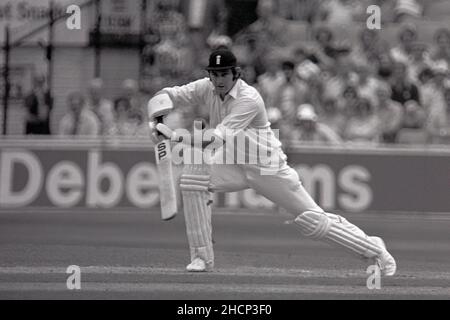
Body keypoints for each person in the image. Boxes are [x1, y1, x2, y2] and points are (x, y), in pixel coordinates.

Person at [148, 48, 396, 276]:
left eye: (224, 74)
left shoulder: (249, 98)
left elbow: (215, 138)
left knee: (312, 219)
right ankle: (202, 257)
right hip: (232, 161)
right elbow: (171, 95)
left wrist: (174, 134)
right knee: (193, 178)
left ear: (236, 73)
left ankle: (374, 249)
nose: (219, 79)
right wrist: (157, 113)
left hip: (266, 165)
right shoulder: (206, 86)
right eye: (215, 74)